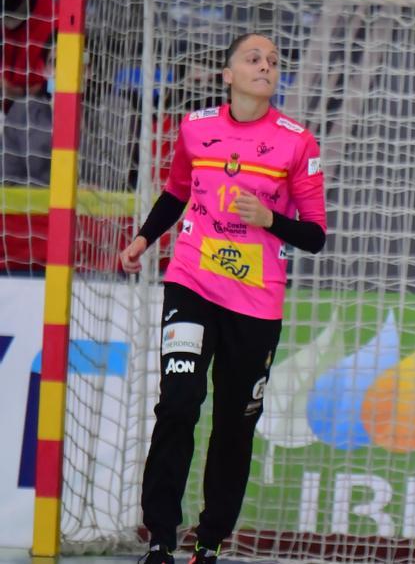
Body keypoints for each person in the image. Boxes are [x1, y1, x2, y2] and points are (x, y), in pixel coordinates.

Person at [119, 33, 327, 564]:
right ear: (228, 74)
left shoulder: (297, 142)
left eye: (274, 61)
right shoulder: (195, 127)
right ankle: (160, 538)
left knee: (235, 424)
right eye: (253, 59)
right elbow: (176, 191)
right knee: (178, 404)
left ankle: (209, 542)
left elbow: (315, 235)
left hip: (256, 303)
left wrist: (270, 219)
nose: (266, 66)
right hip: (192, 282)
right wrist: (144, 238)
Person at [0, 0, 54, 184]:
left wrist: (15, 91)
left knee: (28, 109)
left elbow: (52, 86)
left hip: (36, 114)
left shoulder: (52, 18)